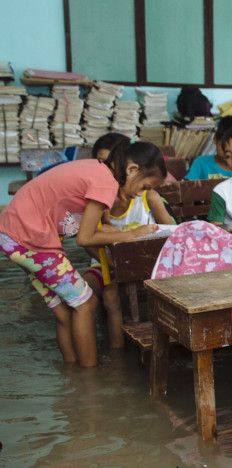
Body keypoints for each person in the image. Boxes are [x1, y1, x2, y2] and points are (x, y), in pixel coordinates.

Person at [0, 141, 167, 366]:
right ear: (132, 169)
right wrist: (132, 234)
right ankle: (90, 378)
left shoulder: (98, 171)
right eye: (144, 187)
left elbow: (98, 226)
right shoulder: (106, 183)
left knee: (64, 311)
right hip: (31, 238)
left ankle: (75, 376)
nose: (140, 194)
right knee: (86, 303)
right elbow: (84, 238)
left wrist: (112, 236)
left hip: (12, 235)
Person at [82, 138, 177, 348]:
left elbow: (173, 232)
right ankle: (117, 355)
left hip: (146, 266)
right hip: (107, 263)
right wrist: (110, 260)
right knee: (100, 294)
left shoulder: (148, 197)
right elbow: (85, 238)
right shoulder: (99, 199)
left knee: (115, 294)